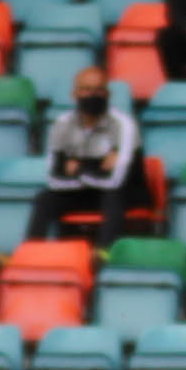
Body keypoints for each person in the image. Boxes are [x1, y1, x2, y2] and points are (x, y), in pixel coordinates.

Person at [27, 67, 147, 247]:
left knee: (112, 197)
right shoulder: (62, 124)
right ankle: (31, 250)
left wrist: (79, 168)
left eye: (99, 90)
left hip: (125, 192)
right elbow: (53, 178)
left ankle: (103, 254)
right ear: (74, 94)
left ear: (107, 94)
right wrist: (96, 167)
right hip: (83, 193)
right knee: (45, 198)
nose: (93, 95)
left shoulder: (124, 124)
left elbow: (116, 180)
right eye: (86, 90)